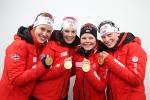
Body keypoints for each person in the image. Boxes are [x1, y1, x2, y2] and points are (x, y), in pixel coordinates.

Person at [0, 12, 54, 100]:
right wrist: (43, 66)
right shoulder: (18, 46)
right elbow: (16, 79)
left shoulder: (41, 47)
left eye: (48, 31)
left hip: (26, 96)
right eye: (42, 29)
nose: (45, 34)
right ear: (34, 27)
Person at [31, 17, 80, 100]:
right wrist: (62, 66)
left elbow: (68, 72)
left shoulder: (74, 49)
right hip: (43, 97)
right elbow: (40, 75)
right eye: (67, 31)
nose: (70, 35)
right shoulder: (51, 46)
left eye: (73, 32)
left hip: (63, 96)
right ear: (61, 31)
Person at [97, 20, 147, 100]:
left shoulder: (133, 47)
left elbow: (136, 79)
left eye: (109, 35)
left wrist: (110, 60)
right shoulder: (109, 50)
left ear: (117, 33)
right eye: (103, 37)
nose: (106, 39)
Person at [73, 23, 108, 100]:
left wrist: (88, 69)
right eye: (84, 38)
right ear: (80, 39)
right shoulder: (76, 53)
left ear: (95, 39)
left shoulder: (103, 55)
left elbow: (101, 86)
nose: (87, 41)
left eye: (91, 38)